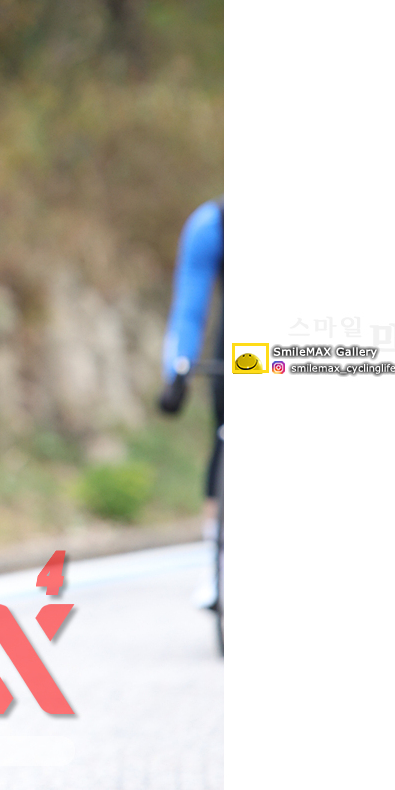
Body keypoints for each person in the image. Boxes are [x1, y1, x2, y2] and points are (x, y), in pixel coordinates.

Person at [157, 197, 223, 609]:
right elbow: (189, 308)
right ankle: (217, 564)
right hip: (246, 351)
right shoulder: (214, 223)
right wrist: (177, 371)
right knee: (225, 434)